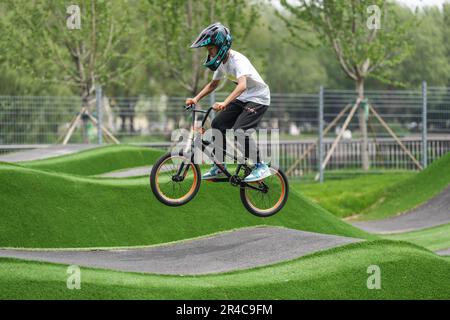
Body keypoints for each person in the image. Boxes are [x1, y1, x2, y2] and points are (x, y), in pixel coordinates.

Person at [185, 22, 271, 182]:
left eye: (211, 49)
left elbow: (243, 85)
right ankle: (219, 165)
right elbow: (213, 84)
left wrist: (224, 103)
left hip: (259, 98)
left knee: (240, 131)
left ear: (221, 46)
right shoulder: (221, 63)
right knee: (218, 125)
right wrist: (195, 99)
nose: (209, 54)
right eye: (208, 50)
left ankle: (261, 166)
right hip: (243, 98)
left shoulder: (238, 60)